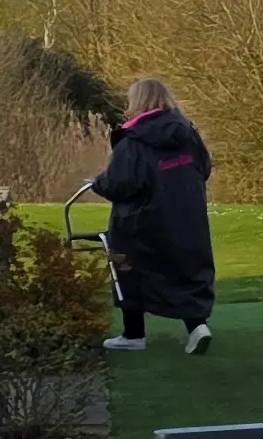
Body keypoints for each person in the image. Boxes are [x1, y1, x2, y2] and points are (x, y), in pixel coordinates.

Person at [90, 75, 216, 354]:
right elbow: (204, 169)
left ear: (137, 102)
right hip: (187, 218)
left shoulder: (133, 141)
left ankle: (133, 335)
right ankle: (197, 326)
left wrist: (95, 183)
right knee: (186, 269)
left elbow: (117, 184)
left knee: (126, 267)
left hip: (139, 223)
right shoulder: (188, 135)